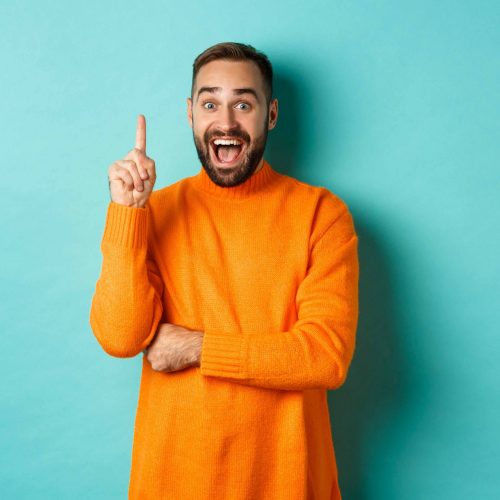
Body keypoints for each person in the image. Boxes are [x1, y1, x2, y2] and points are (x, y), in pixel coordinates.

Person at [89, 41, 359, 500]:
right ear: (190, 113)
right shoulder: (154, 212)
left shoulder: (322, 215)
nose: (226, 122)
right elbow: (120, 337)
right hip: (172, 482)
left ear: (270, 114)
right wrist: (127, 213)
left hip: (286, 482)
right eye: (210, 103)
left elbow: (325, 356)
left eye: (244, 104)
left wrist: (198, 348)